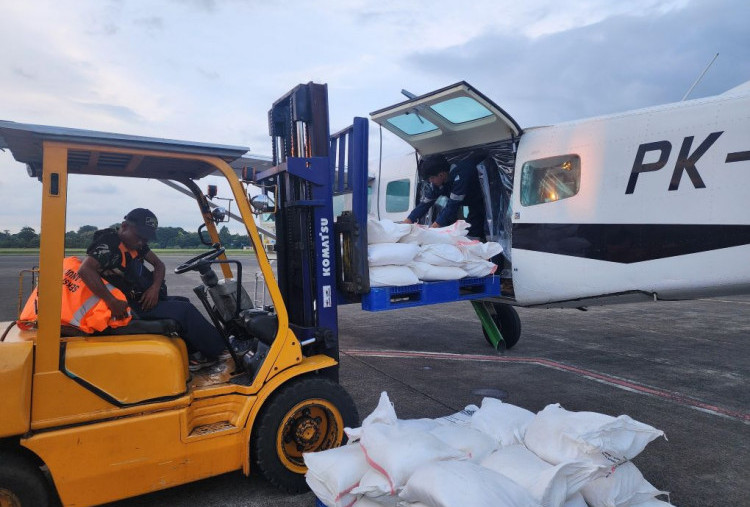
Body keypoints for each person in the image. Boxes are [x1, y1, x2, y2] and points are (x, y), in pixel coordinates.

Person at [78, 208, 226, 371]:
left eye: (146, 238)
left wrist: (154, 289)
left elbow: (159, 265)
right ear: (125, 226)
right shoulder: (109, 244)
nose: (142, 242)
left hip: (140, 299)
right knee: (185, 311)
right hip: (126, 307)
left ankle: (195, 355)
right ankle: (222, 351)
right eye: (140, 236)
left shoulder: (135, 244)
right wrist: (111, 301)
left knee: (183, 302)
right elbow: (85, 270)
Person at [404, 154, 486, 240]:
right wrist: (407, 221)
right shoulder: (438, 183)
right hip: (464, 207)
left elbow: (452, 206)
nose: (430, 181)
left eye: (432, 178)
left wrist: (432, 229)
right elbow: (425, 204)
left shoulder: (461, 175)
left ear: (441, 175)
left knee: (472, 228)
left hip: (477, 204)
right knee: (461, 223)